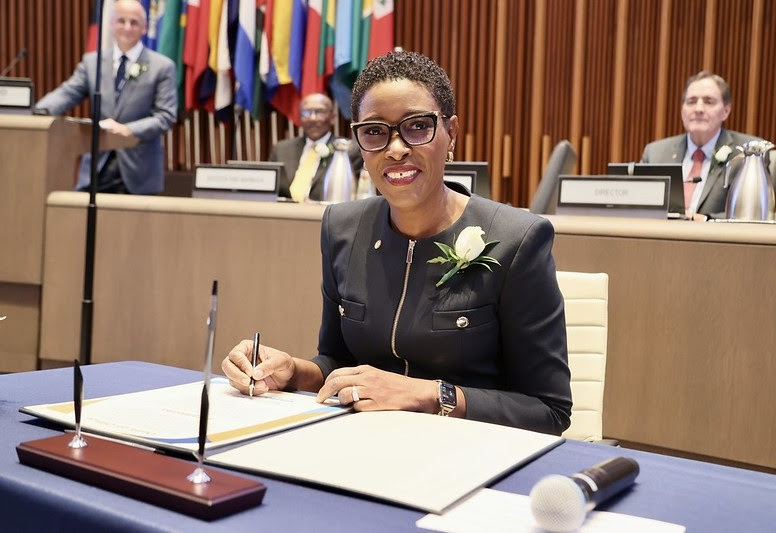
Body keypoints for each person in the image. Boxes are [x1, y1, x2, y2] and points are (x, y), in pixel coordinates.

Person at [223, 51, 572, 435]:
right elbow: (337, 360)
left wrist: (427, 394)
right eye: (374, 131)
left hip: (471, 450)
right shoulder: (341, 228)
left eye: (417, 126)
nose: (395, 148)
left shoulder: (518, 239)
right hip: (363, 442)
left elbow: (549, 411)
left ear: (451, 133)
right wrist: (292, 372)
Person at [35, 0, 177, 195]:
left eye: (134, 22)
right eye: (121, 21)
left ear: (144, 28)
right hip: (96, 168)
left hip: (139, 172)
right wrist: (36, 112)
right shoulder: (92, 62)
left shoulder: (162, 67)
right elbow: (67, 93)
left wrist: (128, 130)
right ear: (111, 24)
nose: (127, 27)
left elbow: (165, 117)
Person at [640, 71, 758, 219]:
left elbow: (751, 212)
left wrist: (704, 219)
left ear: (726, 111)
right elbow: (638, 205)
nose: (698, 109)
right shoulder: (656, 153)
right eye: (691, 102)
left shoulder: (749, 153)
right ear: (682, 110)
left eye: (709, 102)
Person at [269, 93, 364, 202]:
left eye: (319, 112)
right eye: (306, 112)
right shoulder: (281, 149)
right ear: (299, 118)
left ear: (332, 117)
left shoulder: (348, 150)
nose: (312, 118)